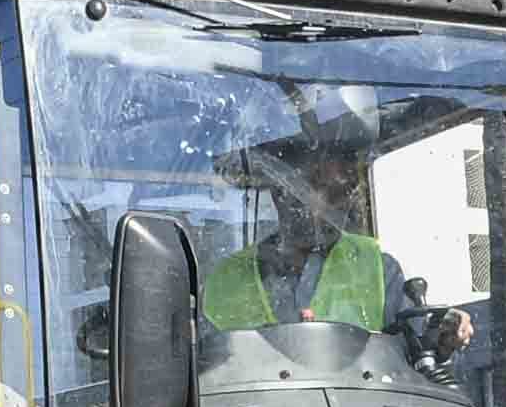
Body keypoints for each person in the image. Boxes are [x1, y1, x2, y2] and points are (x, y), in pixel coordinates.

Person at [198, 149, 471, 371]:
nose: (335, 206)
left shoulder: (378, 269)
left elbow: (416, 355)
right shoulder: (225, 280)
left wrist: (442, 342)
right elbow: (203, 373)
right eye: (319, 190)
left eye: (342, 193)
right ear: (281, 192)